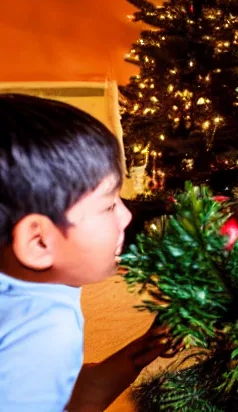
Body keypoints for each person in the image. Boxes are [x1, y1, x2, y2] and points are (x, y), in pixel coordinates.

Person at [0, 93, 171, 411]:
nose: (126, 216)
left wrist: (142, 351)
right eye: (109, 205)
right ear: (39, 242)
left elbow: (74, 392)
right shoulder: (43, 334)